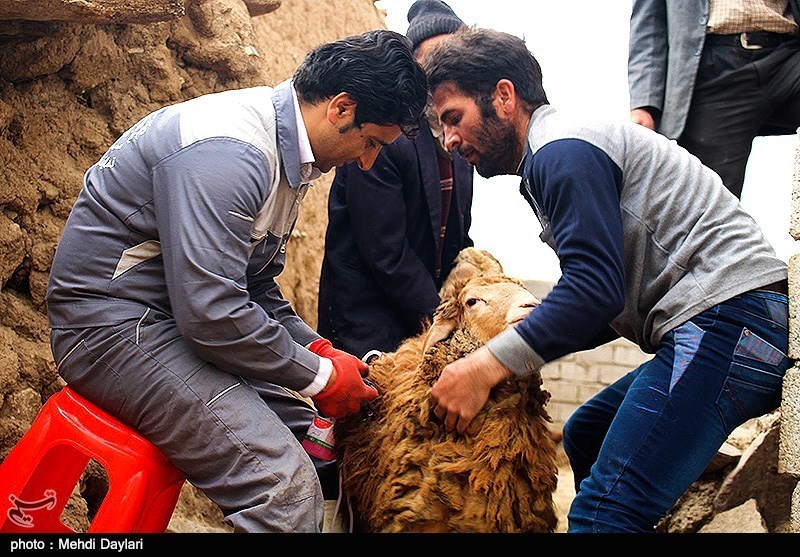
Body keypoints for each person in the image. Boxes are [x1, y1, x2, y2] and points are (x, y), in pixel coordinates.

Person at [45, 29, 428, 533]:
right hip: (111, 328)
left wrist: (321, 352)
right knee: (280, 485)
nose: (367, 160)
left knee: (321, 451)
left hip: (175, 328)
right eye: (371, 141)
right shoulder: (232, 151)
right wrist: (320, 378)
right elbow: (212, 312)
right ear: (340, 108)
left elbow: (256, 287)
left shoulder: (288, 158)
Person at [422, 26, 790, 533]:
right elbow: (605, 293)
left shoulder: (562, 151)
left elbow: (594, 290)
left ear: (504, 97)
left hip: (729, 324)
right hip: (728, 324)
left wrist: (485, 367)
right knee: (588, 431)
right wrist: (533, 330)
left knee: (603, 511)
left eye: (453, 118)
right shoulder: (557, 152)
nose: (449, 140)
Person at [317, 0, 474, 360]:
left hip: (419, 320)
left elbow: (456, 234)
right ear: (416, 68)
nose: (448, 68)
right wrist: (442, 322)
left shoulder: (460, 137)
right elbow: (385, 252)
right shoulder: (384, 135)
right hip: (367, 321)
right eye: (436, 58)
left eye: (458, 56)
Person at [628, 0, 800, 199]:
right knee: (711, 201)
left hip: (787, 54)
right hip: (715, 66)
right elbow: (649, 23)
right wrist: (645, 104)